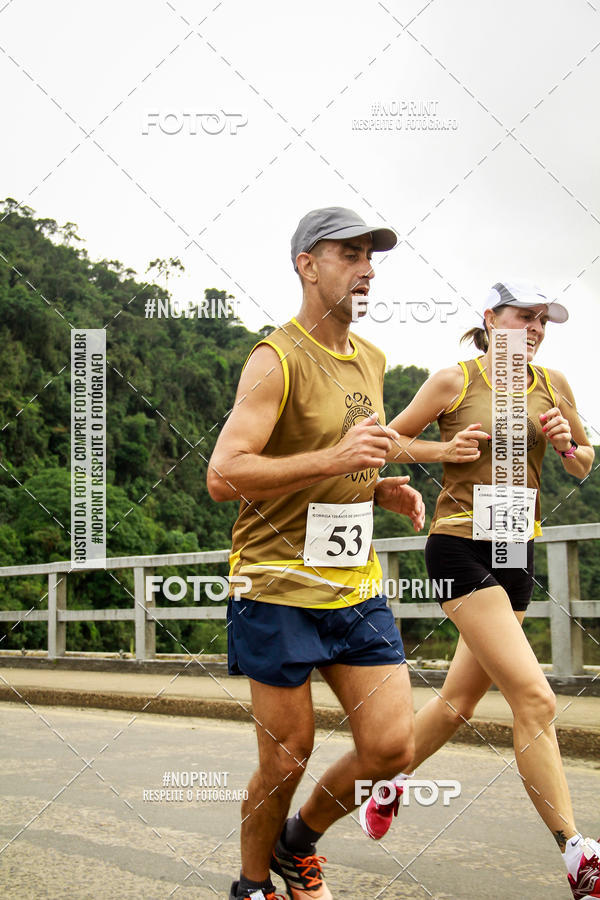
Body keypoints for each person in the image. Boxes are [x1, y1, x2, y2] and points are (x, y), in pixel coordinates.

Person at [207, 206, 426, 900]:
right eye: (349, 254)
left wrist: (377, 486)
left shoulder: (372, 359)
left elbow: (343, 465)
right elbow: (223, 474)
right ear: (307, 265)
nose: (366, 269)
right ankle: (252, 884)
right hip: (275, 589)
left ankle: (297, 843)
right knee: (286, 756)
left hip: (352, 585)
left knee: (393, 745)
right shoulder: (275, 359)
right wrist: (334, 456)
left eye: (372, 257)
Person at [358, 279, 599, 899]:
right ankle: (578, 854)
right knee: (537, 699)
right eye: (525, 316)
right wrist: (445, 448)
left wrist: (568, 441)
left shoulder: (555, 385)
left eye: (544, 320)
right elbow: (388, 442)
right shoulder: (454, 381)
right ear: (491, 318)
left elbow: (583, 461)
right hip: (457, 547)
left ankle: (387, 781)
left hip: (516, 549)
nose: (537, 328)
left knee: (459, 703)